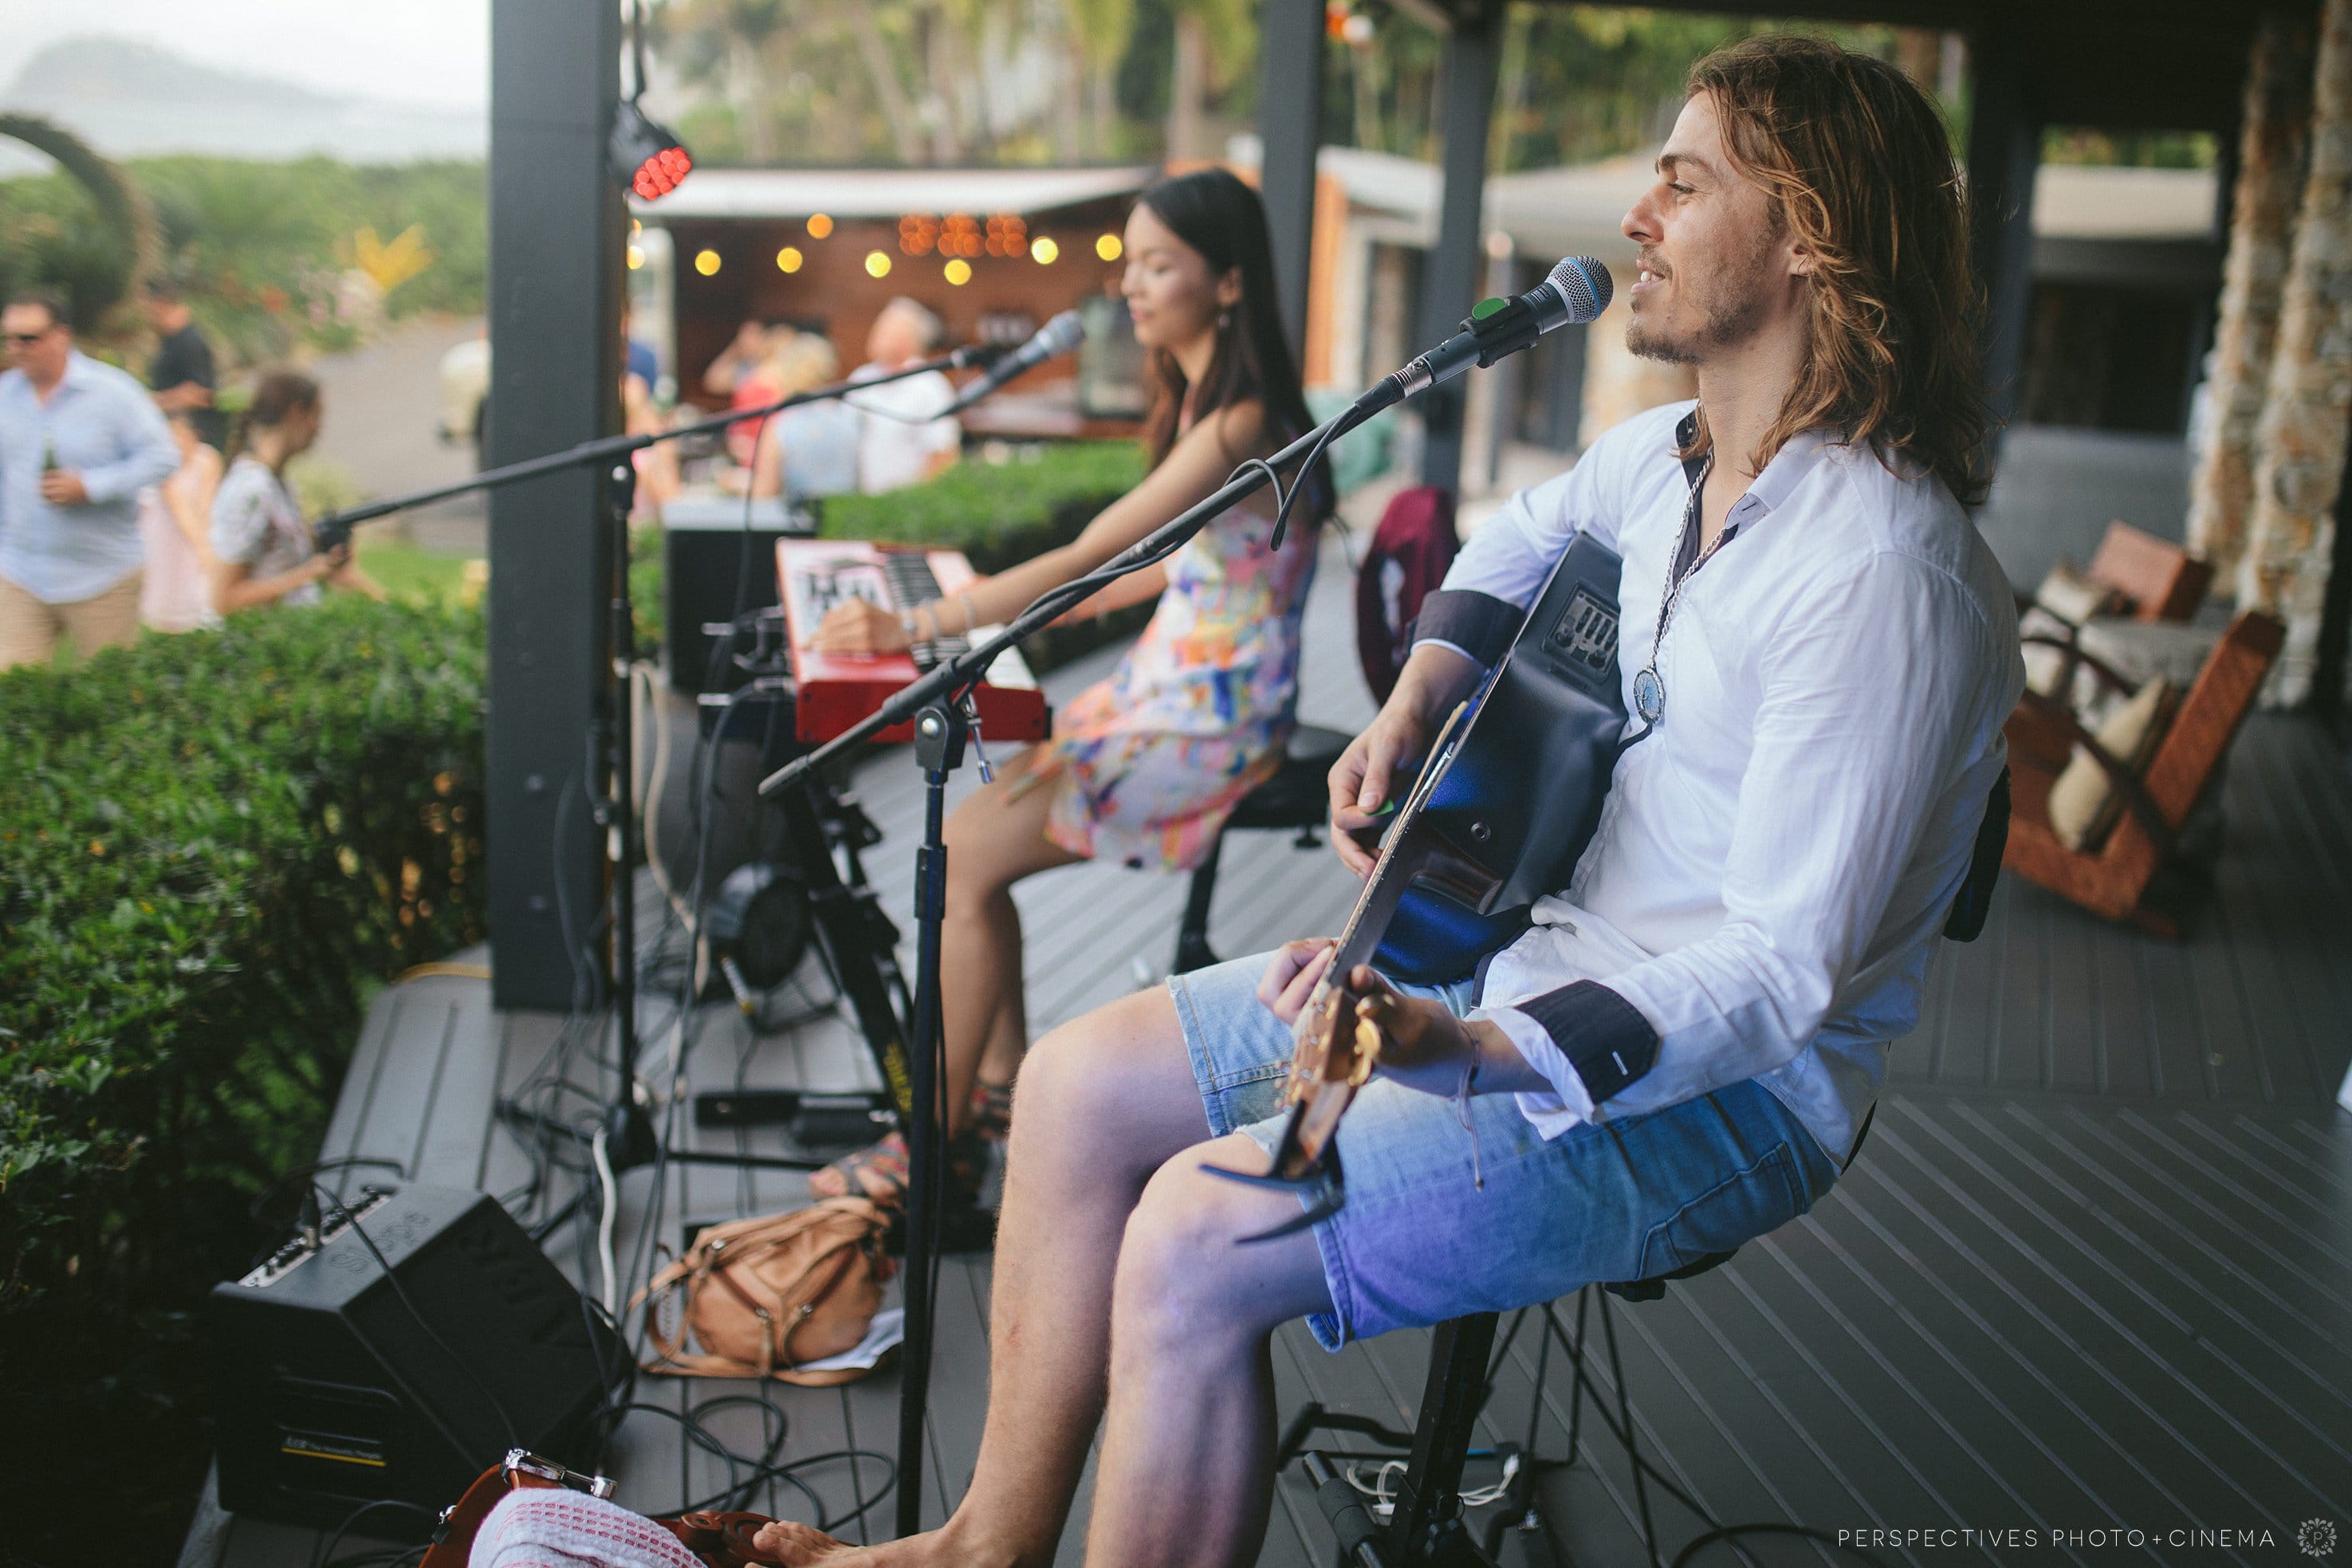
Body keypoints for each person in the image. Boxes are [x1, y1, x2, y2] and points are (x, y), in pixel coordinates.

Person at [753, 35, 2023, 1568]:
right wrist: (1419, 695)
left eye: (1683, 183)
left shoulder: (1882, 573)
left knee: (1197, 1234)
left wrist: (1473, 1048)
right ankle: (980, 1548)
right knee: (1080, 1093)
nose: (1637, 215)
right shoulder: (1665, 456)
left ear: (1812, 231)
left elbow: (1777, 976)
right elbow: (1506, 546)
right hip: (1516, 948)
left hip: (1718, 1094)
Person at [803, 168, 1331, 1206]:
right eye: (1126, 261)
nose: (1130, 285)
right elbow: (1153, 569)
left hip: (1200, 725)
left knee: (957, 863)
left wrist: (921, 621)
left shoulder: (1238, 423)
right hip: (1173, 694)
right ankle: (990, 1091)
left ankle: (929, 1149)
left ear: (1227, 283)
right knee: (968, 850)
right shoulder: (1209, 406)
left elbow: (1098, 545)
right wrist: (1023, 611)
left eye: (1157, 264)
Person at [0, 288, 179, 670]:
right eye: (9, 338)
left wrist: (92, 486)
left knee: (108, 698)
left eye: (28, 338)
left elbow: (163, 457)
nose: (17, 347)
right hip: (19, 574)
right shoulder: (4, 397)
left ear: (61, 336)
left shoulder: (113, 393)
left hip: (101, 577)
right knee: (11, 698)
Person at [210, 371, 382, 615]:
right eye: (317, 417)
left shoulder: (278, 483)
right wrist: (308, 573)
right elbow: (226, 600)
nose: (319, 431)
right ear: (296, 414)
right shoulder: (252, 489)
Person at [844, 297, 960, 493]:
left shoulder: (931, 387)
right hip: (864, 500)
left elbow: (943, 455)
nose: (875, 336)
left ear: (910, 341)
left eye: (886, 332)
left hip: (908, 507)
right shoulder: (862, 378)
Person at [137, 410, 225, 632]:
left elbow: (207, 504)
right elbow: (180, 510)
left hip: (196, 533)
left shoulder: (207, 458)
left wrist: (208, 543)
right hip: (165, 537)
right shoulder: (162, 464)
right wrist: (202, 547)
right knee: (163, 598)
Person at [749, 332, 862, 501]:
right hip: (844, 519)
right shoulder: (850, 417)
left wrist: (739, 484)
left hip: (799, 522)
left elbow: (765, 492)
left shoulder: (781, 426)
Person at [143, 277, 226, 453]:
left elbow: (203, 393)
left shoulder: (191, 342)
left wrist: (156, 402)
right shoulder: (168, 340)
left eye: (147, 306)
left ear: (161, 304)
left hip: (193, 439)